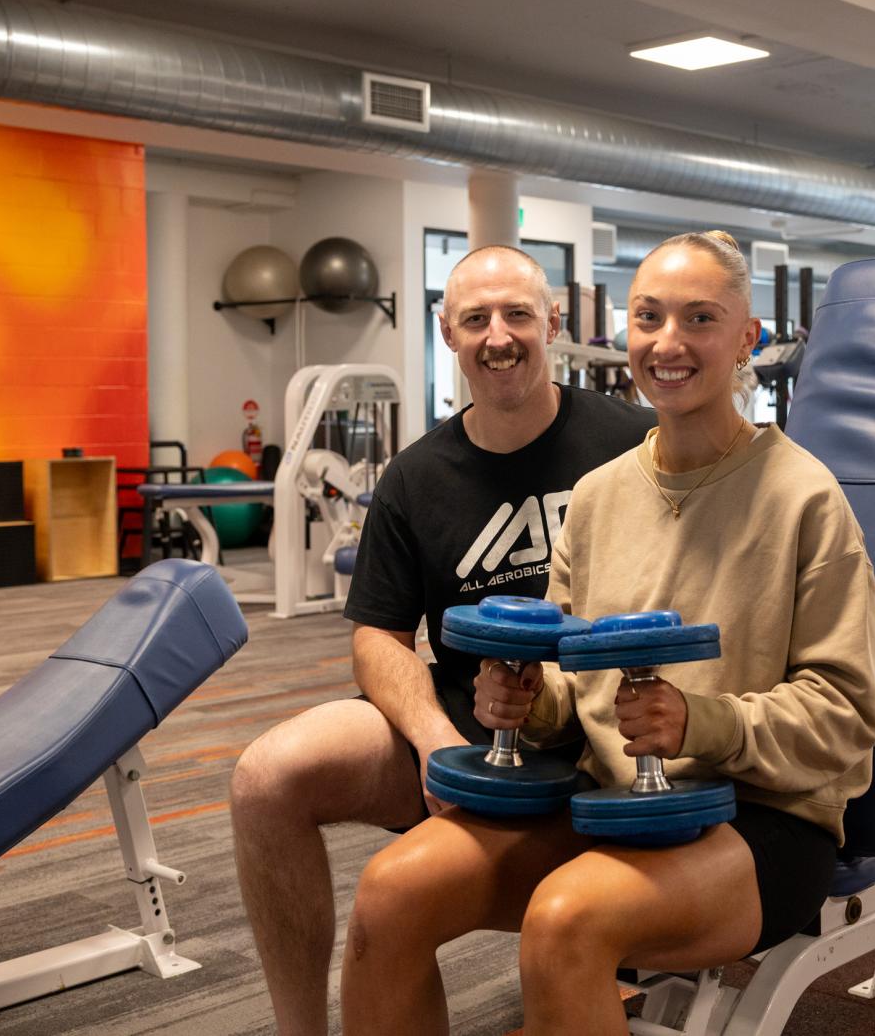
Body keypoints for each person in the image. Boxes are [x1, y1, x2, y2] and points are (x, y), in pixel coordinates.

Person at [341, 231, 875, 1035]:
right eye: (649, 317)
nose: (668, 342)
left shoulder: (805, 496)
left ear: (747, 337)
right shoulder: (597, 495)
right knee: (392, 892)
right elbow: (572, 680)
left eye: (700, 318)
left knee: (566, 920)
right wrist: (528, 699)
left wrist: (700, 721)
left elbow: (848, 714)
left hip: (763, 816)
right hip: (609, 801)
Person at [229, 244, 654, 1036]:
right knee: (266, 779)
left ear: (552, 324)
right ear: (447, 332)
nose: (498, 336)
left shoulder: (637, 441)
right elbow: (378, 638)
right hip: (470, 723)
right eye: (476, 318)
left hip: (605, 729)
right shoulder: (415, 477)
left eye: (517, 314)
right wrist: (433, 740)